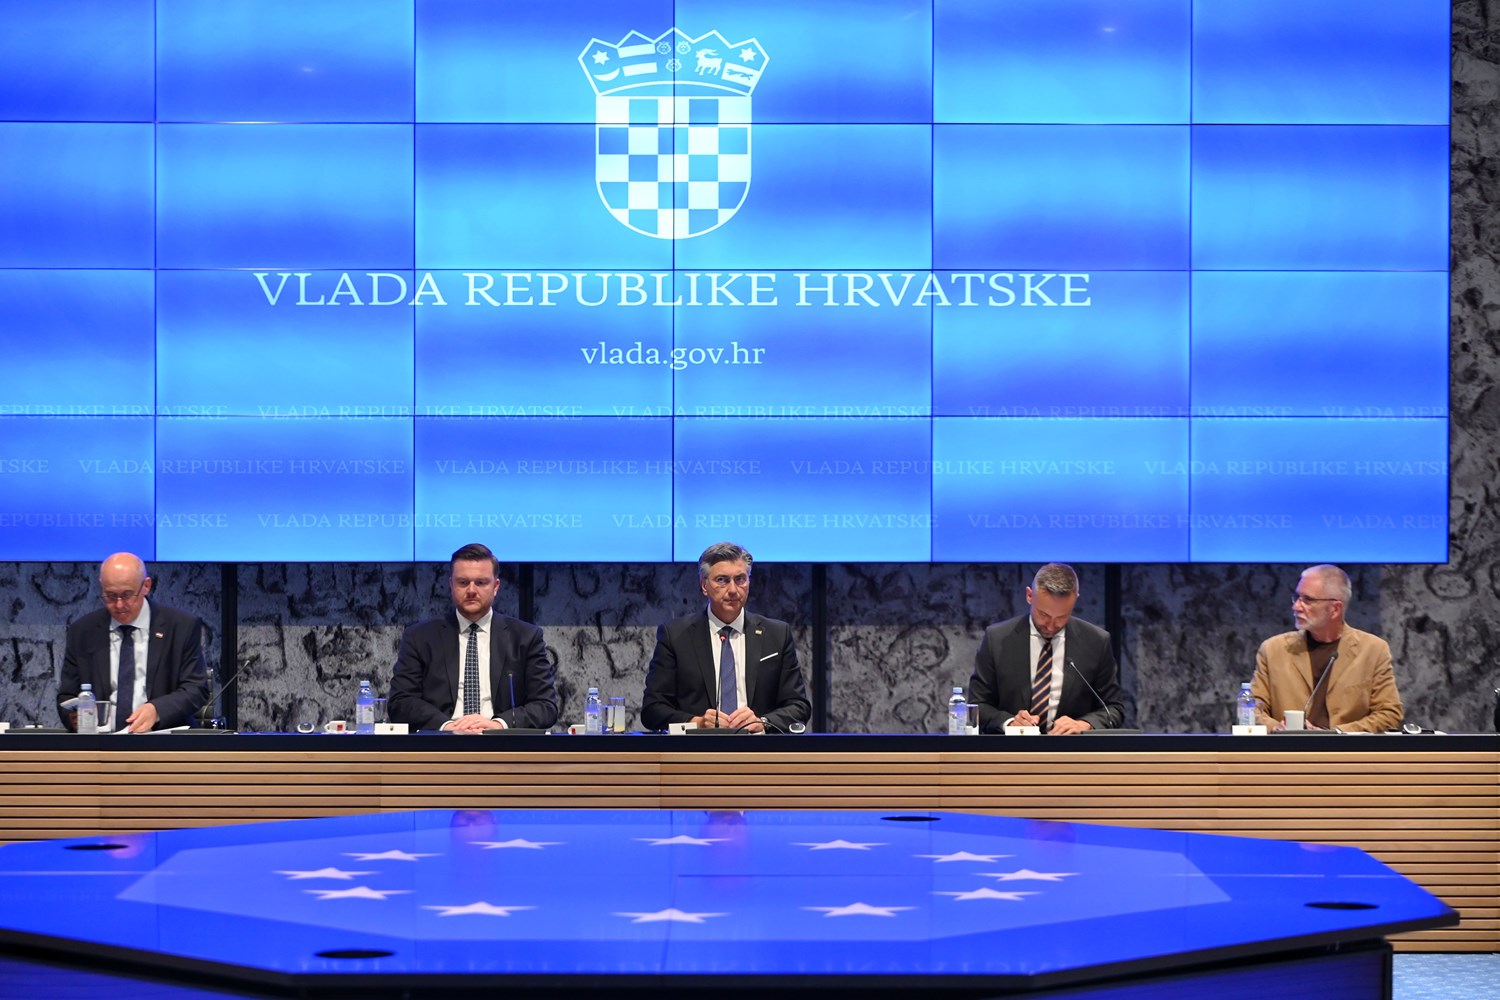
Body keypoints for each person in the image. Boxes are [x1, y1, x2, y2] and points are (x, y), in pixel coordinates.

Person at [641, 542, 810, 733]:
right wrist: (696, 723)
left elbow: (798, 706)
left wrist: (762, 722)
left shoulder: (777, 634)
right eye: (722, 580)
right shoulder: (676, 636)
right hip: (698, 748)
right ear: (704, 585)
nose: (732, 589)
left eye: (740, 579)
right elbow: (652, 709)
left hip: (758, 747)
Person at [388, 543, 557, 732]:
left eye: (481, 582)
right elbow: (400, 702)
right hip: (441, 740)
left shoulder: (525, 637)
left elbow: (545, 706)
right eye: (463, 582)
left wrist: (498, 724)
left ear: (496, 586)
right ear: (451, 585)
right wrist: (447, 726)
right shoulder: (420, 637)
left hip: (502, 741)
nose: (471, 590)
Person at [57, 553, 210, 732]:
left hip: (163, 740)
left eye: (127, 595)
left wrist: (157, 710)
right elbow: (67, 696)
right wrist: (75, 718)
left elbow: (196, 689)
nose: (119, 605)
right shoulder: (82, 632)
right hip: (101, 742)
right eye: (110, 596)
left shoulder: (181, 626)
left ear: (146, 586)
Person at [969, 563, 1123, 734]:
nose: (1051, 626)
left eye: (1062, 617)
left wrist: (1084, 724)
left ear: (1075, 600)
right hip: (1011, 747)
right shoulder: (997, 639)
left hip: (1071, 748)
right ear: (1029, 596)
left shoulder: (1096, 642)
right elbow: (977, 705)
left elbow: (1114, 708)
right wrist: (1009, 722)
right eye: (1043, 614)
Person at [1252, 564, 1403, 733]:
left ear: (1335, 609)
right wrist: (1277, 728)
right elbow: (1250, 709)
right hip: (1288, 748)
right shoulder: (1273, 650)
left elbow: (1389, 714)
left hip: (1345, 749)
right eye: (1297, 597)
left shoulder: (1373, 650)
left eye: (1308, 600)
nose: (1296, 607)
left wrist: (1335, 734)